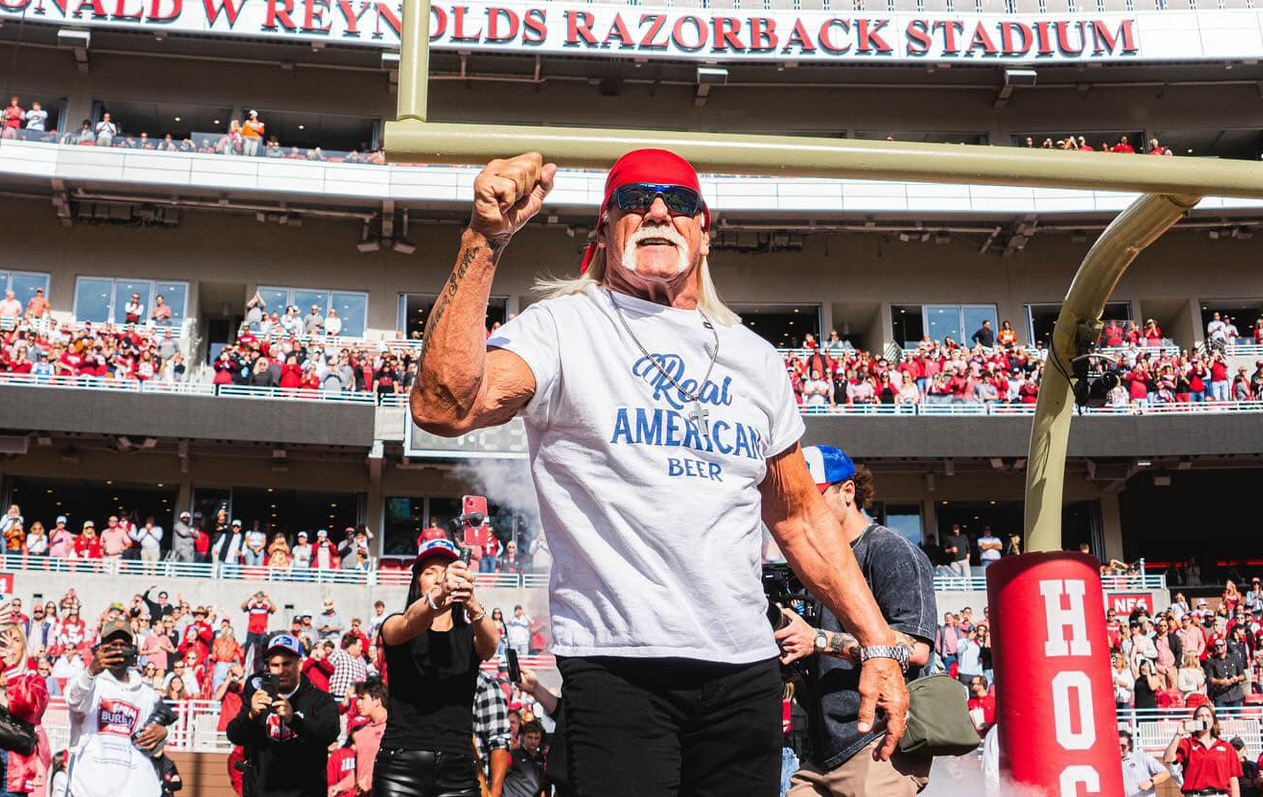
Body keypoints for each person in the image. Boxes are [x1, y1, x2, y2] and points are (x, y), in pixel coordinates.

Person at [411, 149, 908, 797]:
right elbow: (443, 406)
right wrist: (484, 240)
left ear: (704, 230)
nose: (655, 211)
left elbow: (797, 516)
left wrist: (876, 641)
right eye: (633, 199)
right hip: (618, 665)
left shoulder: (753, 358)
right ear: (603, 229)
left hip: (744, 671)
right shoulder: (564, 327)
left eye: (677, 202)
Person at [776, 446, 936, 797]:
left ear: (847, 492)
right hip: (819, 752)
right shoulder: (809, 562)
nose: (804, 508)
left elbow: (917, 650)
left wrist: (819, 641)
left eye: (813, 497)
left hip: (876, 744)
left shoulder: (891, 551)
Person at [372, 539, 500, 797]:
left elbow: (491, 645)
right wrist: (439, 593)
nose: (440, 579)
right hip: (400, 764)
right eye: (430, 573)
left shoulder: (469, 634)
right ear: (417, 582)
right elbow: (409, 623)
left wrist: (473, 604)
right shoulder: (396, 623)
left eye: (446, 573)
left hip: (458, 766)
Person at [225, 633, 340, 797]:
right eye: (275, 665)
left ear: (300, 664)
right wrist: (251, 715)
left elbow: (329, 733)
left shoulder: (320, 699)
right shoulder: (259, 698)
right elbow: (234, 735)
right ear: (267, 667)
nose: (281, 670)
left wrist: (294, 721)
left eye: (287, 664)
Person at [65, 620, 168, 797]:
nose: (118, 649)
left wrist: (162, 734)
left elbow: (147, 743)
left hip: (131, 789)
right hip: (89, 787)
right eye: (112, 644)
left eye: (123, 644)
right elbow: (74, 701)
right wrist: (91, 672)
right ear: (100, 648)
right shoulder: (87, 681)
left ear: (133, 649)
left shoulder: (147, 694)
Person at [1163, 704, 1241, 797]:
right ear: (1195, 720)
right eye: (1200, 716)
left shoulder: (1226, 746)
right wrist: (1178, 734)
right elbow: (1168, 758)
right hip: (1195, 794)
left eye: (1208, 716)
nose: (1204, 719)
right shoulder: (1187, 743)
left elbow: (1233, 779)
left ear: (1213, 720)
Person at [353, 677, 388, 795]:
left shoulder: (393, 730)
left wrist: (370, 783)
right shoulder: (361, 733)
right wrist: (340, 786)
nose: (357, 703)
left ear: (377, 700)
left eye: (362, 698)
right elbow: (357, 770)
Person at [502, 719, 546, 797]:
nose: (533, 741)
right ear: (523, 736)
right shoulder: (513, 755)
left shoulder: (541, 759)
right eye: (530, 737)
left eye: (536, 738)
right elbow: (499, 775)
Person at [1119, 729, 1169, 797]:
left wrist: (1150, 782)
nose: (1120, 748)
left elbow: (1166, 773)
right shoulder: (1110, 762)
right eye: (1117, 745)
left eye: (1123, 746)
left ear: (1129, 746)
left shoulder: (1140, 756)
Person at [1206, 637, 1247, 708]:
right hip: (1220, 696)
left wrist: (1237, 678)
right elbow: (1210, 679)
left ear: (1225, 646)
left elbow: (1243, 675)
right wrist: (1221, 681)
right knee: (1220, 715)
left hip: (1235, 694)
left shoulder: (1235, 658)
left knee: (1237, 715)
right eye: (1216, 646)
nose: (1219, 647)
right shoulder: (1211, 661)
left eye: (1221, 645)